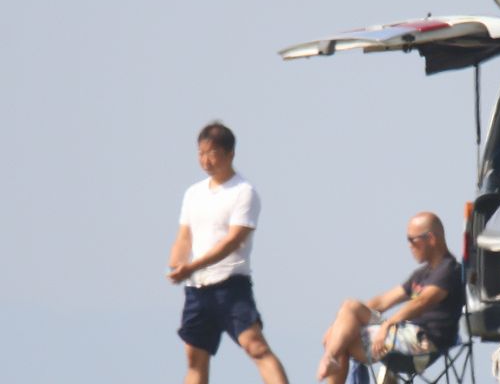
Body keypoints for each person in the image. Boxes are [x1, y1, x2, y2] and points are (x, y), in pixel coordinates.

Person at [167, 121, 288, 384]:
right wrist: (177, 263)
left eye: (212, 153)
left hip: (230, 285)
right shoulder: (193, 193)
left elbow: (233, 241)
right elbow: (184, 236)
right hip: (197, 289)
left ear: (229, 153)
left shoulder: (244, 192)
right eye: (201, 153)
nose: (206, 160)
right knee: (195, 358)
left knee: (255, 346)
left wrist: (193, 265)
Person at [317, 212, 464, 383]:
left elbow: (422, 302)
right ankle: (330, 357)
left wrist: (388, 324)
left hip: (423, 344)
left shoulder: (449, 270)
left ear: (430, 239)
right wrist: (342, 322)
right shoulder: (422, 274)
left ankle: (330, 358)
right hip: (404, 334)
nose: (409, 246)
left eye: (412, 240)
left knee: (342, 341)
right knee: (348, 311)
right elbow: (383, 302)